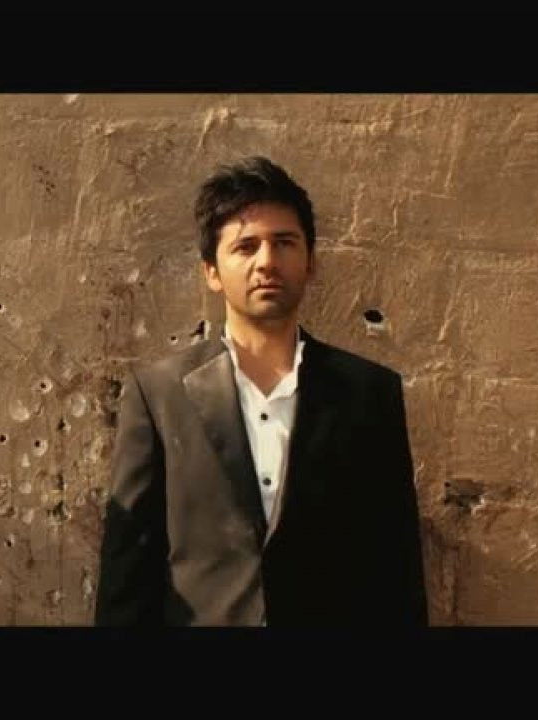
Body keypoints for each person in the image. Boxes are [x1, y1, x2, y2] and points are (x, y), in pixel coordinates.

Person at [95, 156, 427, 626]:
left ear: (310, 262)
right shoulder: (159, 395)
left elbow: (395, 564)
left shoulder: (368, 393)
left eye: (284, 243)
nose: (267, 262)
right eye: (245, 246)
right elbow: (127, 571)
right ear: (212, 271)